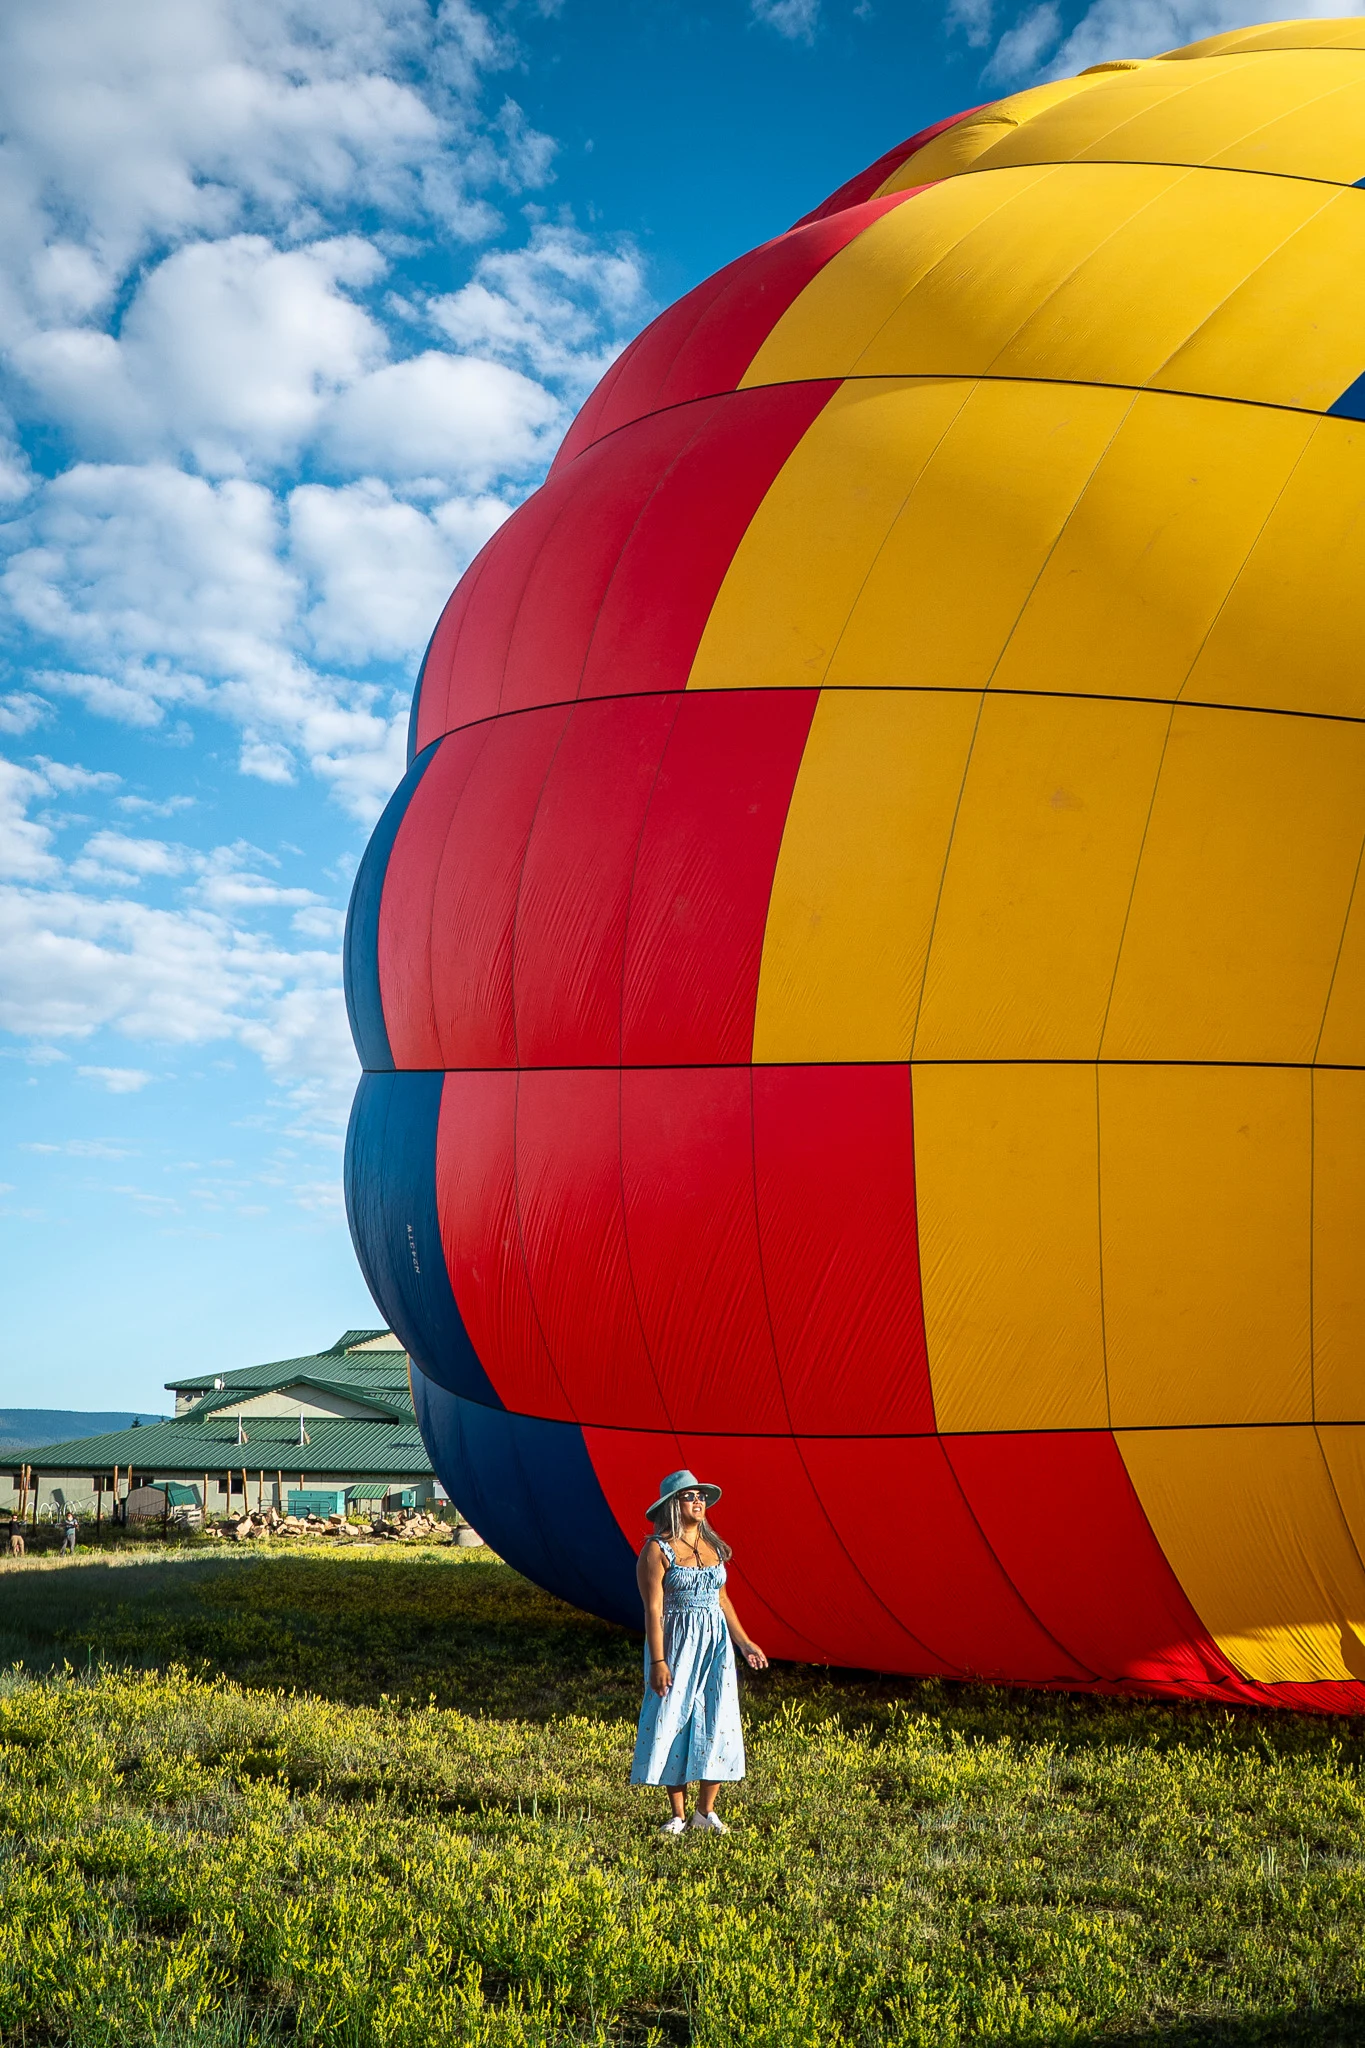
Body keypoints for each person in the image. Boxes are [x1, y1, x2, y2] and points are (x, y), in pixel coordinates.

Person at [630, 1468, 767, 1835]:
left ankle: (705, 1813)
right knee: (673, 1716)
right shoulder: (656, 1550)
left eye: (701, 1496)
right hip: (675, 1643)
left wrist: (744, 1642)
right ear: (673, 1505)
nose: (698, 1502)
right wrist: (658, 1661)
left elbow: (722, 1599)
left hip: (715, 1644)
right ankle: (677, 1814)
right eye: (690, 1496)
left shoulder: (714, 1547)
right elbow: (653, 1609)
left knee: (717, 1718)